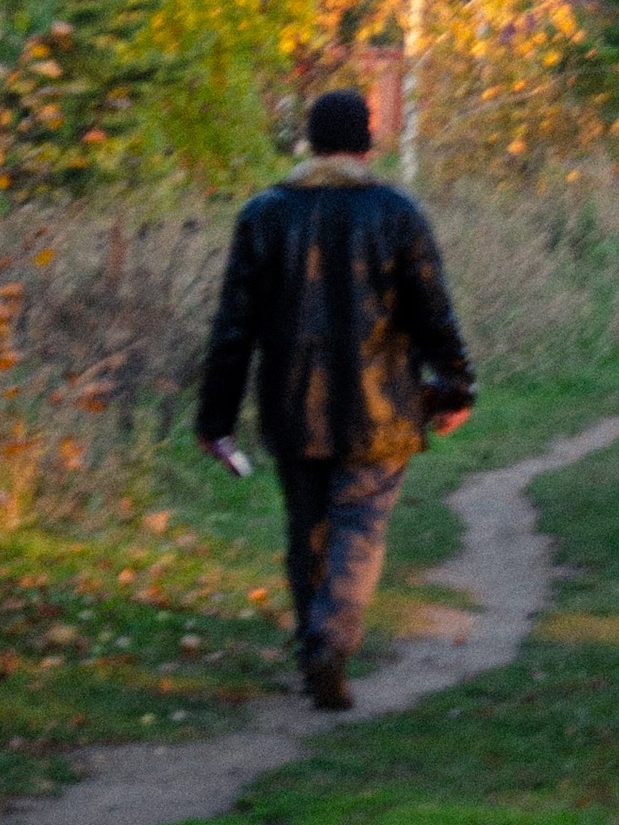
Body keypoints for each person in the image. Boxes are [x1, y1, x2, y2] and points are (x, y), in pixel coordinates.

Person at [196, 87, 476, 710]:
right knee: (360, 526)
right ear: (367, 145)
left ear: (310, 143)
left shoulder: (263, 215)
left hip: (291, 406)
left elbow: (233, 328)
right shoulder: (397, 213)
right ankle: (331, 640)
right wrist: (457, 384)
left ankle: (313, 651)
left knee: (308, 531)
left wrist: (216, 419)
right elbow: (432, 310)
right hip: (383, 408)